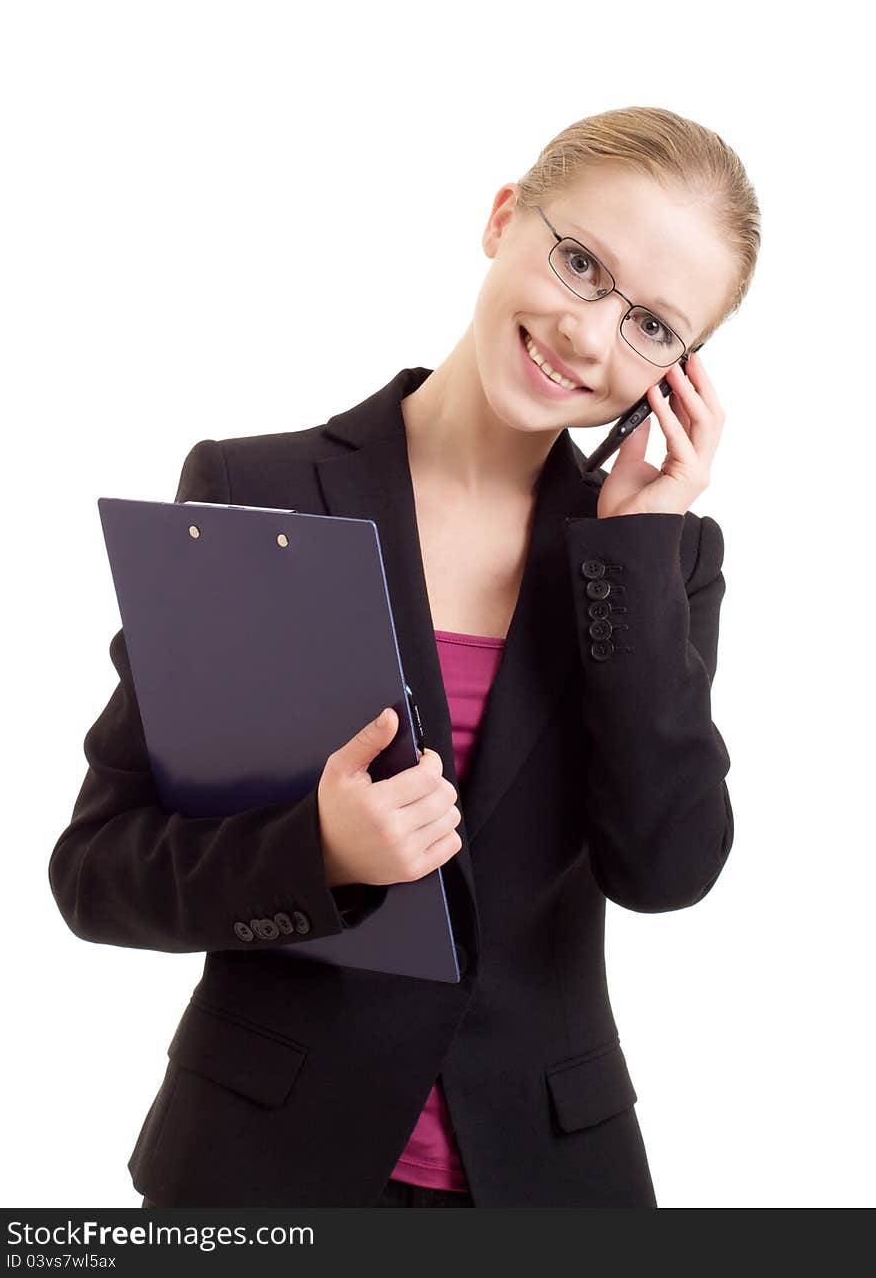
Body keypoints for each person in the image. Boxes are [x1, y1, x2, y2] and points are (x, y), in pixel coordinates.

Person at [48, 105, 761, 1208]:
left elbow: (665, 869)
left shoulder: (657, 561)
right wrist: (317, 850)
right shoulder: (254, 490)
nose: (587, 337)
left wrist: (629, 549)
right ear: (501, 216)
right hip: (261, 1171)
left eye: (652, 327)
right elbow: (98, 870)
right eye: (580, 264)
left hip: (542, 1171)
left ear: (681, 374)